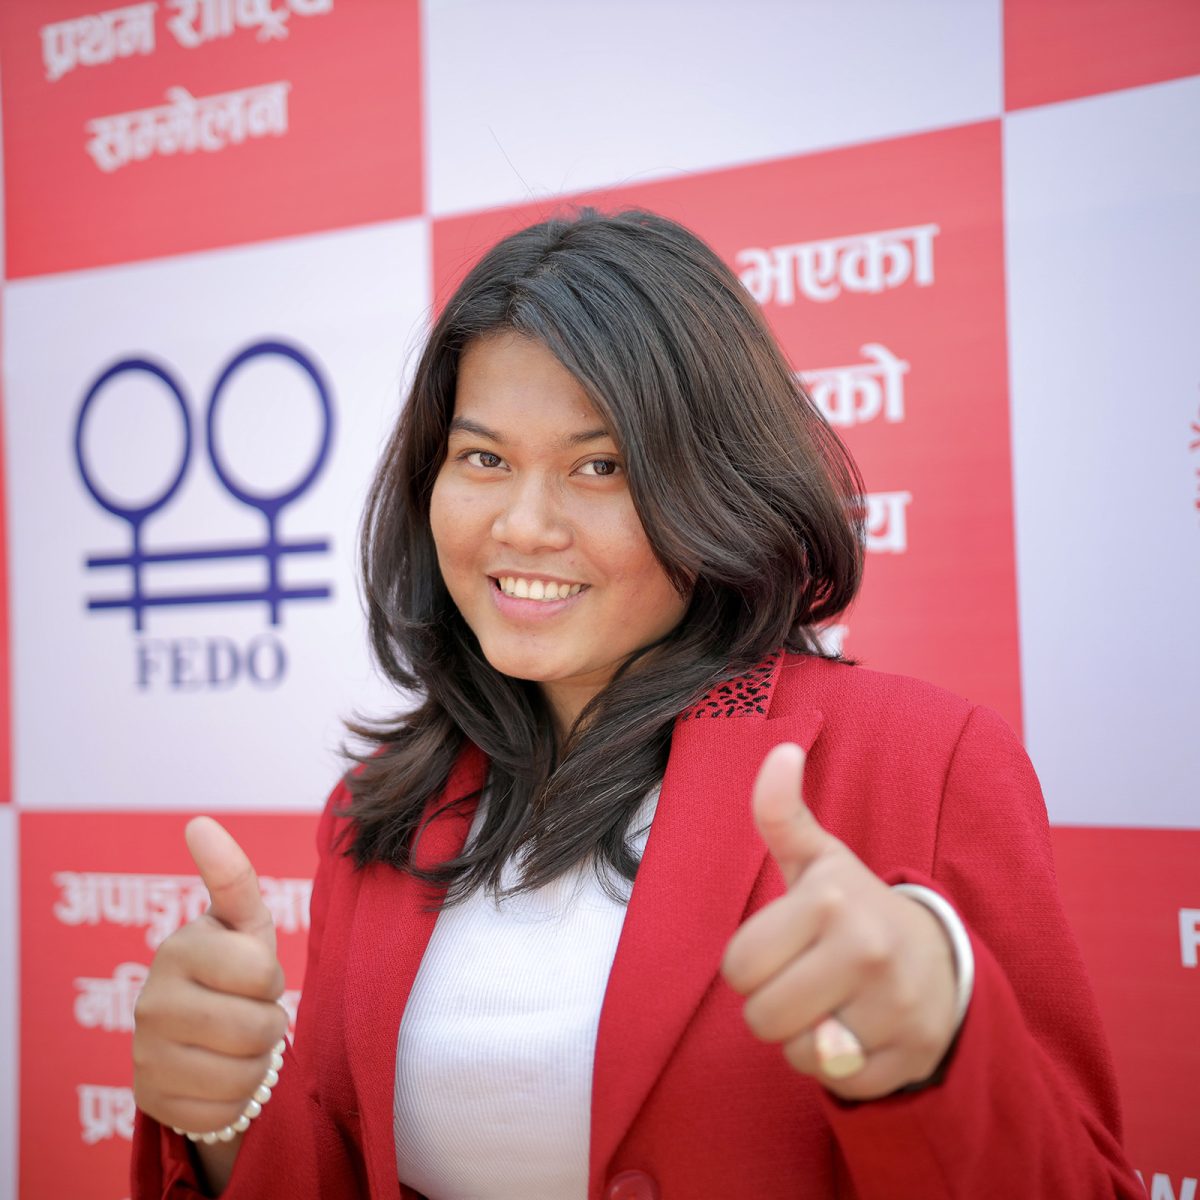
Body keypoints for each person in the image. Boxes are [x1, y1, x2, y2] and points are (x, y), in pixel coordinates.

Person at [131, 209, 1144, 1199]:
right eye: (483, 458)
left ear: (712, 483)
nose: (523, 526)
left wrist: (939, 1051)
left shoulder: (919, 760)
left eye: (600, 466)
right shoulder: (378, 809)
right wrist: (222, 1116)